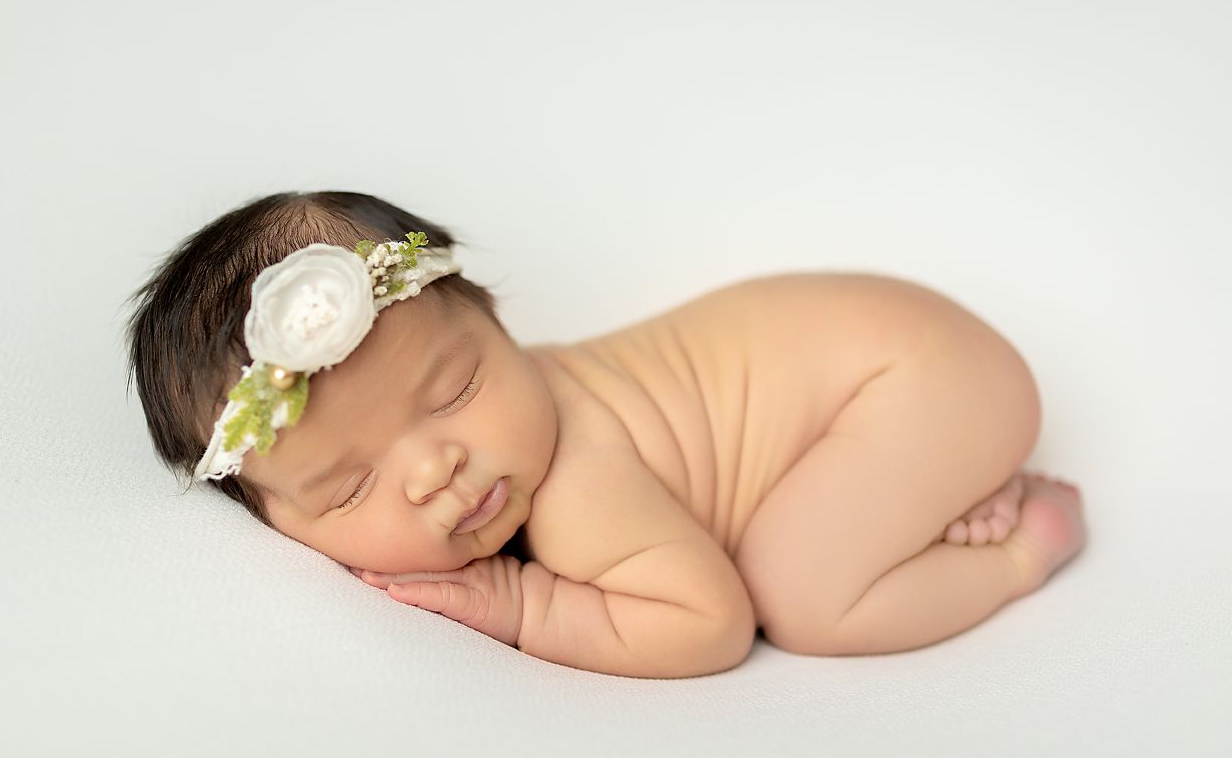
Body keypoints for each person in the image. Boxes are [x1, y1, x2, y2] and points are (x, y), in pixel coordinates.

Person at [124, 190, 1086, 679]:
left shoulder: (577, 483)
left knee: (799, 597)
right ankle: (939, 489)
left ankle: (1018, 549)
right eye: (349, 488)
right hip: (899, 375)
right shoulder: (519, 421)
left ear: (499, 326)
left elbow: (708, 626)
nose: (435, 468)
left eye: (457, 388)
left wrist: (519, 605)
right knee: (801, 526)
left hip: (914, 379)